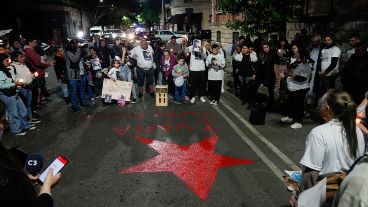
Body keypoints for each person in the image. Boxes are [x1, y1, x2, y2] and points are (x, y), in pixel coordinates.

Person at [299, 89, 366, 193]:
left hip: (326, 191)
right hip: (350, 188)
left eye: (320, 104)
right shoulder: (357, 130)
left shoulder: (318, 133)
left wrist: (301, 198)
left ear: (327, 107)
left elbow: (311, 174)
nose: (318, 107)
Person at [0, 100, 61, 207]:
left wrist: (24, 179)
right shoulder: (6, 178)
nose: (4, 126)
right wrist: (46, 189)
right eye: (3, 121)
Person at [0, 53, 34, 135]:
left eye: (9, 60)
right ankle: (15, 130)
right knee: (13, 113)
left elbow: (12, 80)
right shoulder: (0, 71)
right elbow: (1, 85)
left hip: (14, 93)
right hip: (7, 95)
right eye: (7, 60)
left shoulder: (6, 69)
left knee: (22, 110)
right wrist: (15, 84)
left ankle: (25, 125)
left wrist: (17, 85)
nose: (9, 61)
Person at [281, 46, 312, 129]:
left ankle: (298, 122)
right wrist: (286, 67)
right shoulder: (297, 62)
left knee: (299, 105)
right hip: (293, 87)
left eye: (298, 54)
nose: (296, 55)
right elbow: (289, 68)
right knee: (291, 103)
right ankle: (290, 117)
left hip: (301, 88)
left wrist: (291, 74)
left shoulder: (306, 65)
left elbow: (302, 78)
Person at [10, 51, 40, 123]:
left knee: (29, 104)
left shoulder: (23, 65)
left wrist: (33, 76)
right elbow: (12, 79)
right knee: (24, 105)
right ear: (15, 58)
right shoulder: (12, 67)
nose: (23, 58)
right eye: (21, 57)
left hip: (29, 87)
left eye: (23, 56)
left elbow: (29, 75)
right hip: (22, 89)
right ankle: (25, 121)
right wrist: (19, 83)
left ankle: (30, 118)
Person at [24, 38, 54, 108]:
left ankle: (40, 101)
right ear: (29, 43)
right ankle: (38, 103)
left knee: (41, 87)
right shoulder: (29, 51)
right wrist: (48, 64)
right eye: (34, 42)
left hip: (38, 71)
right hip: (37, 72)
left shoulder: (31, 50)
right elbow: (37, 62)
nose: (36, 43)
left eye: (36, 42)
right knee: (39, 88)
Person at [65, 40, 88, 112]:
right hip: (73, 74)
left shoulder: (78, 52)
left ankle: (83, 102)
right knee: (74, 91)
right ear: (71, 45)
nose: (77, 46)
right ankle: (74, 106)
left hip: (80, 73)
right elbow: (74, 60)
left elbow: (84, 58)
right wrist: (78, 51)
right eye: (75, 44)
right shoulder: (68, 52)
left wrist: (83, 50)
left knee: (81, 89)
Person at [255, 42, 276, 110]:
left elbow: (275, 64)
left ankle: (270, 105)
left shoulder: (272, 55)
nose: (265, 49)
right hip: (261, 76)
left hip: (270, 76)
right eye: (264, 47)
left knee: (270, 91)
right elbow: (257, 65)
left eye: (267, 47)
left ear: (269, 47)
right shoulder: (260, 54)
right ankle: (260, 103)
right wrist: (255, 74)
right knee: (258, 90)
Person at [187, 39, 207, 104]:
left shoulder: (203, 48)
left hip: (201, 69)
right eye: (195, 42)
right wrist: (184, 44)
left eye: (198, 42)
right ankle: (192, 96)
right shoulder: (191, 47)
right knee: (193, 84)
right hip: (193, 69)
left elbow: (205, 57)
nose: (197, 43)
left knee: (202, 84)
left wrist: (201, 51)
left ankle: (201, 95)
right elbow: (185, 50)